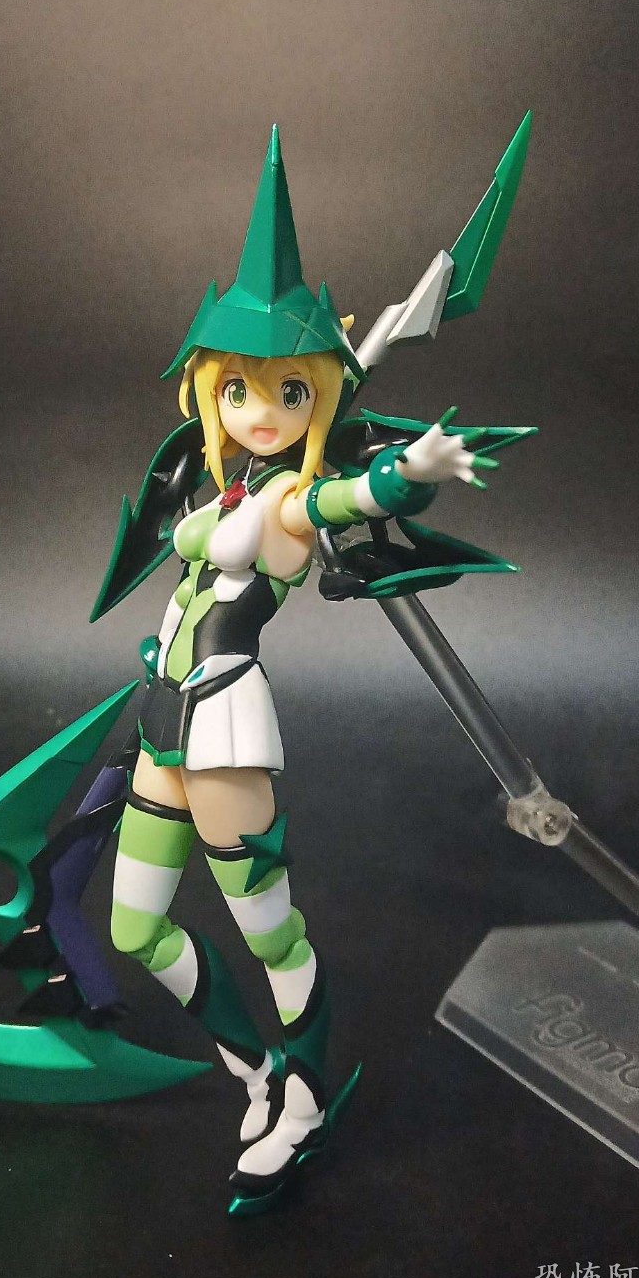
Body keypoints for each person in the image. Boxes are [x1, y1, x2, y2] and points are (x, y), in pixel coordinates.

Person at [106, 127, 486, 1208]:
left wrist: (408, 474)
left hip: (224, 726)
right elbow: (190, 553)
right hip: (163, 719)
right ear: (211, 390)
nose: (260, 413)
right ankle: (255, 1065)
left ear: (318, 398)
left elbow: (344, 497)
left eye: (288, 393)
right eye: (240, 390)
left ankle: (306, 1096)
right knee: (136, 925)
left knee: (270, 932)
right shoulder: (222, 488)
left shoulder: (281, 502)